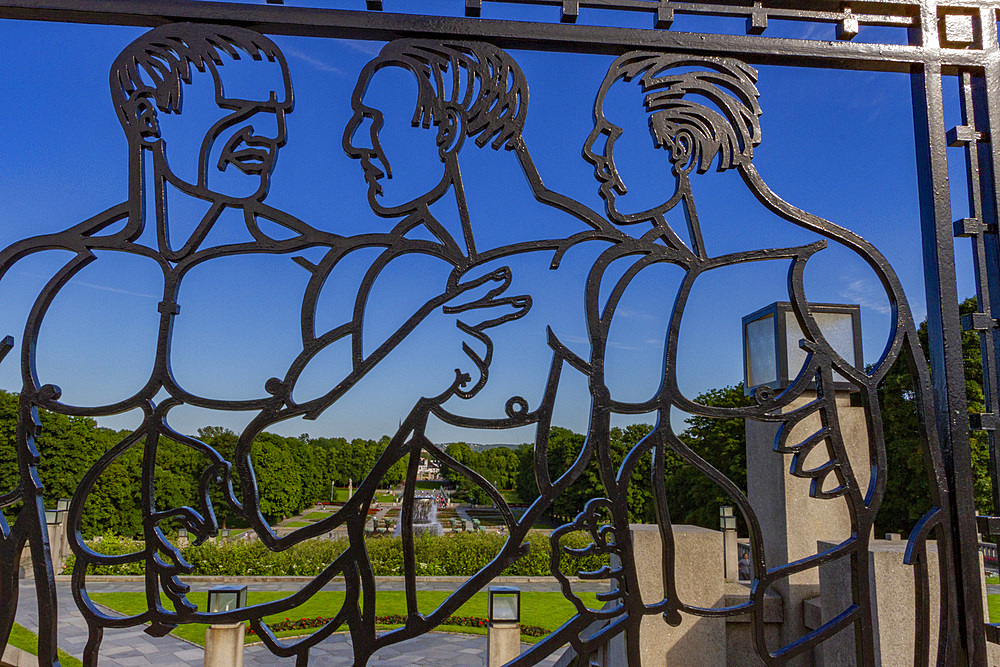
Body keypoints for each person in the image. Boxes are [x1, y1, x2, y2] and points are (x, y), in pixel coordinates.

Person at [0, 23, 523, 664]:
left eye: (277, 114)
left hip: (289, 637)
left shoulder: (330, 276)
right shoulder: (43, 278)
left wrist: (402, 369)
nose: (271, 135)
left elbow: (295, 526)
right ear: (147, 116)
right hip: (88, 633)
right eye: (239, 110)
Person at [534, 51, 937, 665]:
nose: (593, 151)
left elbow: (887, 495)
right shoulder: (655, 277)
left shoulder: (825, 269)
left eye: (609, 133)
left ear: (680, 141)